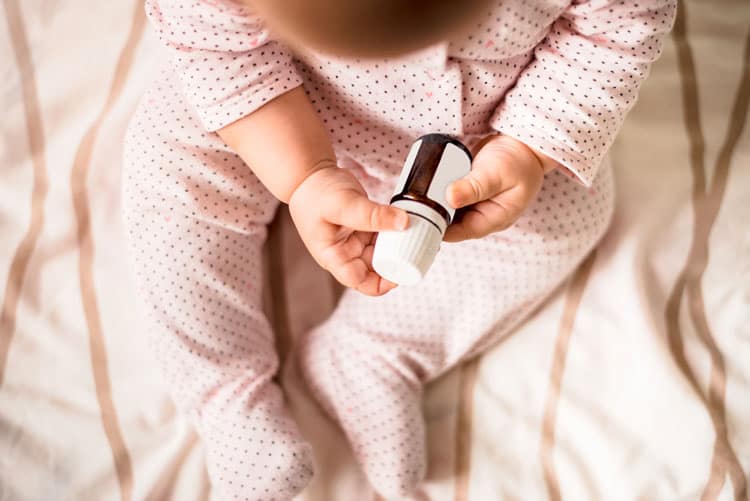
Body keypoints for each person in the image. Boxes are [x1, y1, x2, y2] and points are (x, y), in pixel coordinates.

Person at [123, 0, 676, 498]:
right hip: (274, 102)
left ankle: (373, 350)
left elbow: (615, 32)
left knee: (568, 215)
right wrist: (306, 175)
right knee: (170, 164)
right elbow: (215, 46)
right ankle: (227, 397)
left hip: (486, 136)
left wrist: (529, 148)